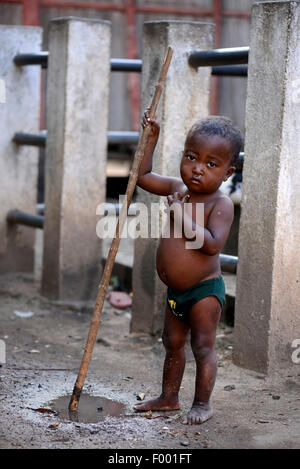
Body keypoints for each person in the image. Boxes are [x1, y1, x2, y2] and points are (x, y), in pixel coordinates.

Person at [133, 108, 243, 425]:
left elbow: (211, 245)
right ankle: (169, 397)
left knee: (203, 346)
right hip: (176, 291)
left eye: (211, 164)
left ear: (227, 173)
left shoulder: (219, 204)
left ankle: (202, 404)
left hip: (204, 292)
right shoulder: (175, 189)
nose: (197, 169)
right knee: (173, 343)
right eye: (192, 157)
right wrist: (150, 140)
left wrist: (180, 216)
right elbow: (142, 177)